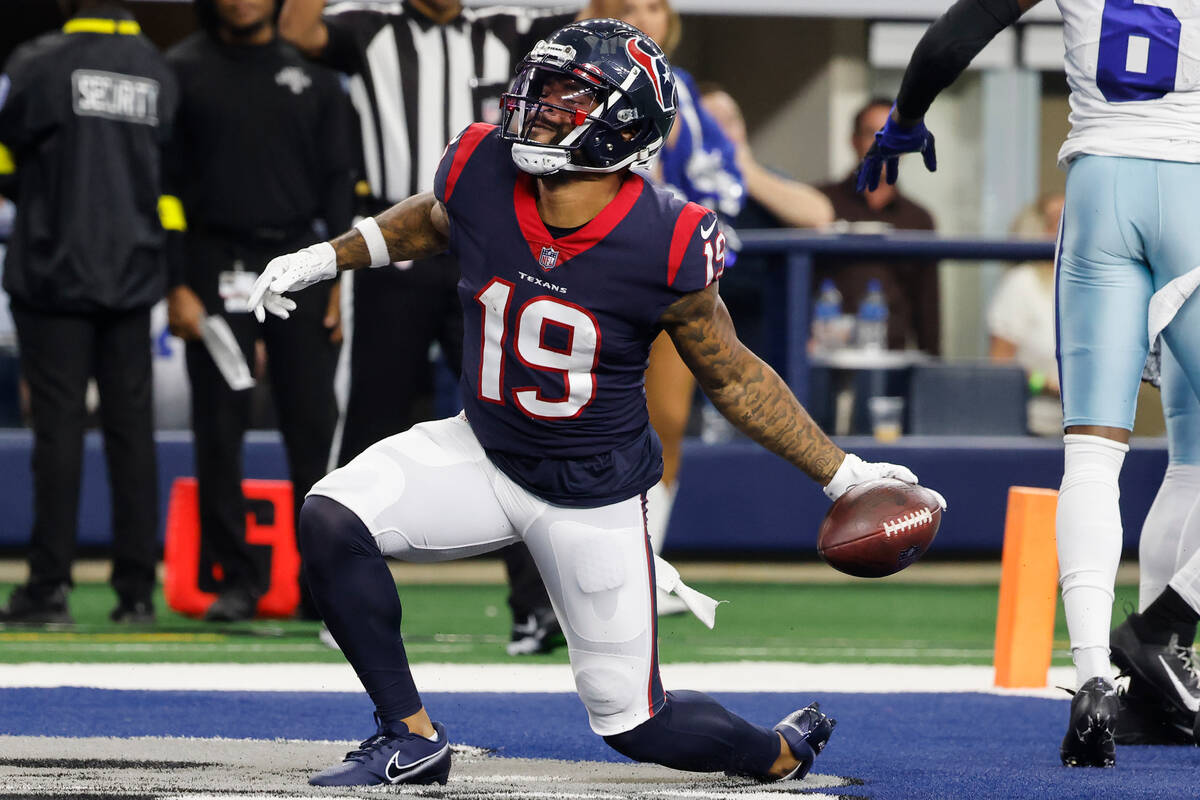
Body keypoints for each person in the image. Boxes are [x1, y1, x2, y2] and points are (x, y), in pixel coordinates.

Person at [249, 19, 943, 787]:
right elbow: (436, 218)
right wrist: (330, 256)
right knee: (329, 516)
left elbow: (734, 376)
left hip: (591, 495)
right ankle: (409, 736)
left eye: (563, 96)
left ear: (625, 125)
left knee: (638, 724)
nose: (536, 107)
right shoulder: (481, 163)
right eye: (539, 89)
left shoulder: (666, 238)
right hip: (482, 448)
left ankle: (775, 751)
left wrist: (842, 474)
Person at [864, 0, 1200, 767]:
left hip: (1095, 190)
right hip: (1194, 184)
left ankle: (1099, 683)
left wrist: (907, 117)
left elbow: (959, 33)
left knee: (1094, 457)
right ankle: (1163, 629)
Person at [279, 0, 621, 654]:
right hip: (398, 246)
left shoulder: (513, 27)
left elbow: (591, 30)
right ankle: (342, 594)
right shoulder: (368, 23)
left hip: (488, 247)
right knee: (367, 422)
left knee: (517, 419)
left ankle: (536, 607)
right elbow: (296, 29)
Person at [163, 0, 354, 622]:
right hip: (213, 262)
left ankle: (317, 586)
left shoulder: (318, 82)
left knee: (313, 429)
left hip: (300, 262)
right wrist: (178, 284)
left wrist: (336, 281)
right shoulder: (180, 72)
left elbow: (338, 186)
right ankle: (236, 580)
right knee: (218, 428)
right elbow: (163, 189)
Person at [0, 0, 178, 624]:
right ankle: (136, 594)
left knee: (59, 434)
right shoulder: (158, 70)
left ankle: (48, 590)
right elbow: (171, 182)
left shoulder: (36, 63)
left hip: (52, 277)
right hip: (132, 278)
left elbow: (7, 165)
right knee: (133, 438)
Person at [620, 0, 747, 615]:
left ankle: (641, 568)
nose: (645, 18)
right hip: (583, 264)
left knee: (666, 421)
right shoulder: (577, 77)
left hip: (663, 267)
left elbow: (725, 181)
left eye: (653, 6)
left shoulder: (684, 91)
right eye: (627, 6)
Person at [700, 85, 834, 361]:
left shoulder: (764, 179)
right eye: (713, 123)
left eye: (731, 121)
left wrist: (743, 172)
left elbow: (819, 214)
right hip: (707, 327)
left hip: (767, 331)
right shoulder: (685, 188)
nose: (725, 132)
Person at [819, 98, 940, 354]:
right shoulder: (821, 205)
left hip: (893, 358)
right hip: (825, 355)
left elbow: (927, 305)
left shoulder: (918, 219)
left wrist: (931, 368)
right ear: (853, 141)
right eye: (872, 134)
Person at [987, 192, 1065, 436]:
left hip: (1085, 431)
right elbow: (1001, 365)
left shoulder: (1088, 285)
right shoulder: (1022, 284)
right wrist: (1047, 385)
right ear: (1039, 230)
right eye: (1058, 220)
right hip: (1032, 427)